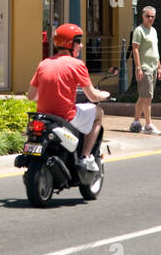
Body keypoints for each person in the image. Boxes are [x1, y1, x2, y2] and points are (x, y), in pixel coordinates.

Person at [27, 23, 108, 170]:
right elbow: (93, 96)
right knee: (98, 113)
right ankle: (86, 157)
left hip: (43, 117)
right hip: (66, 117)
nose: (82, 45)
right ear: (70, 44)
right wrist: (104, 94)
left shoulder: (43, 64)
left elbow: (31, 96)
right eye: (78, 42)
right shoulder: (77, 64)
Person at [130, 5, 161, 135]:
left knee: (144, 96)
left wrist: (159, 67)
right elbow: (135, 49)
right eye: (147, 16)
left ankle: (136, 122)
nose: (150, 18)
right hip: (145, 67)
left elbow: (155, 50)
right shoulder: (139, 30)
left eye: (152, 16)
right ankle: (148, 124)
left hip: (154, 66)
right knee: (147, 97)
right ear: (142, 16)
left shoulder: (153, 31)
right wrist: (138, 68)